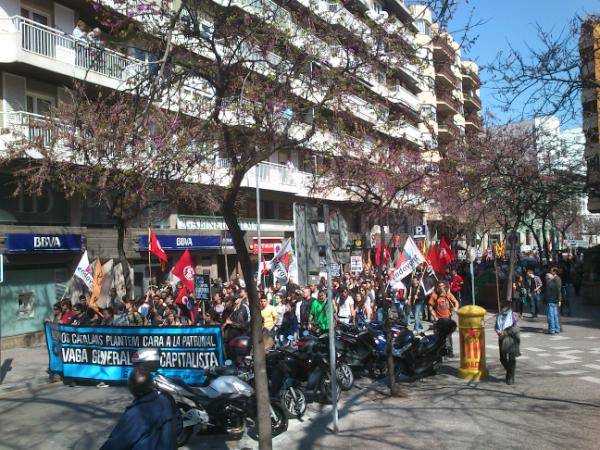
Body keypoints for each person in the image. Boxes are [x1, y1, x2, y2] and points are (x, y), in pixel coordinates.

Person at [100, 367, 177, 450]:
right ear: (152, 384)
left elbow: (116, 443)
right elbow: (177, 427)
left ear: (131, 388)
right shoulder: (165, 401)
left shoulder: (135, 414)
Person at [428, 282, 459, 357]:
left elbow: (456, 302)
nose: (441, 288)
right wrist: (435, 317)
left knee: (448, 336)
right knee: (439, 337)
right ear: (437, 287)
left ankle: (450, 351)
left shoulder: (447, 294)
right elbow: (430, 307)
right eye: (440, 286)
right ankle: (440, 352)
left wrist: (456, 308)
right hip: (439, 320)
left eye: (443, 286)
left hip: (448, 318)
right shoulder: (434, 295)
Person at [495, 300, 520, 385]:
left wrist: (506, 332)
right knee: (502, 359)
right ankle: (510, 372)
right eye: (501, 307)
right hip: (501, 339)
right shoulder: (499, 315)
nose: (501, 308)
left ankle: (510, 377)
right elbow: (496, 326)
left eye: (503, 307)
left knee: (511, 359)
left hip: (511, 339)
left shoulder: (514, 315)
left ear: (507, 307)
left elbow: (516, 329)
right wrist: (498, 331)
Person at [544, 267, 562, 334]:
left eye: (546, 278)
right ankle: (557, 328)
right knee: (555, 316)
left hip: (550, 301)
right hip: (555, 301)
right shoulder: (555, 284)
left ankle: (552, 330)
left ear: (548, 278)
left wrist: (546, 300)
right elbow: (558, 291)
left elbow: (548, 294)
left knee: (551, 316)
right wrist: (558, 300)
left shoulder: (548, 284)